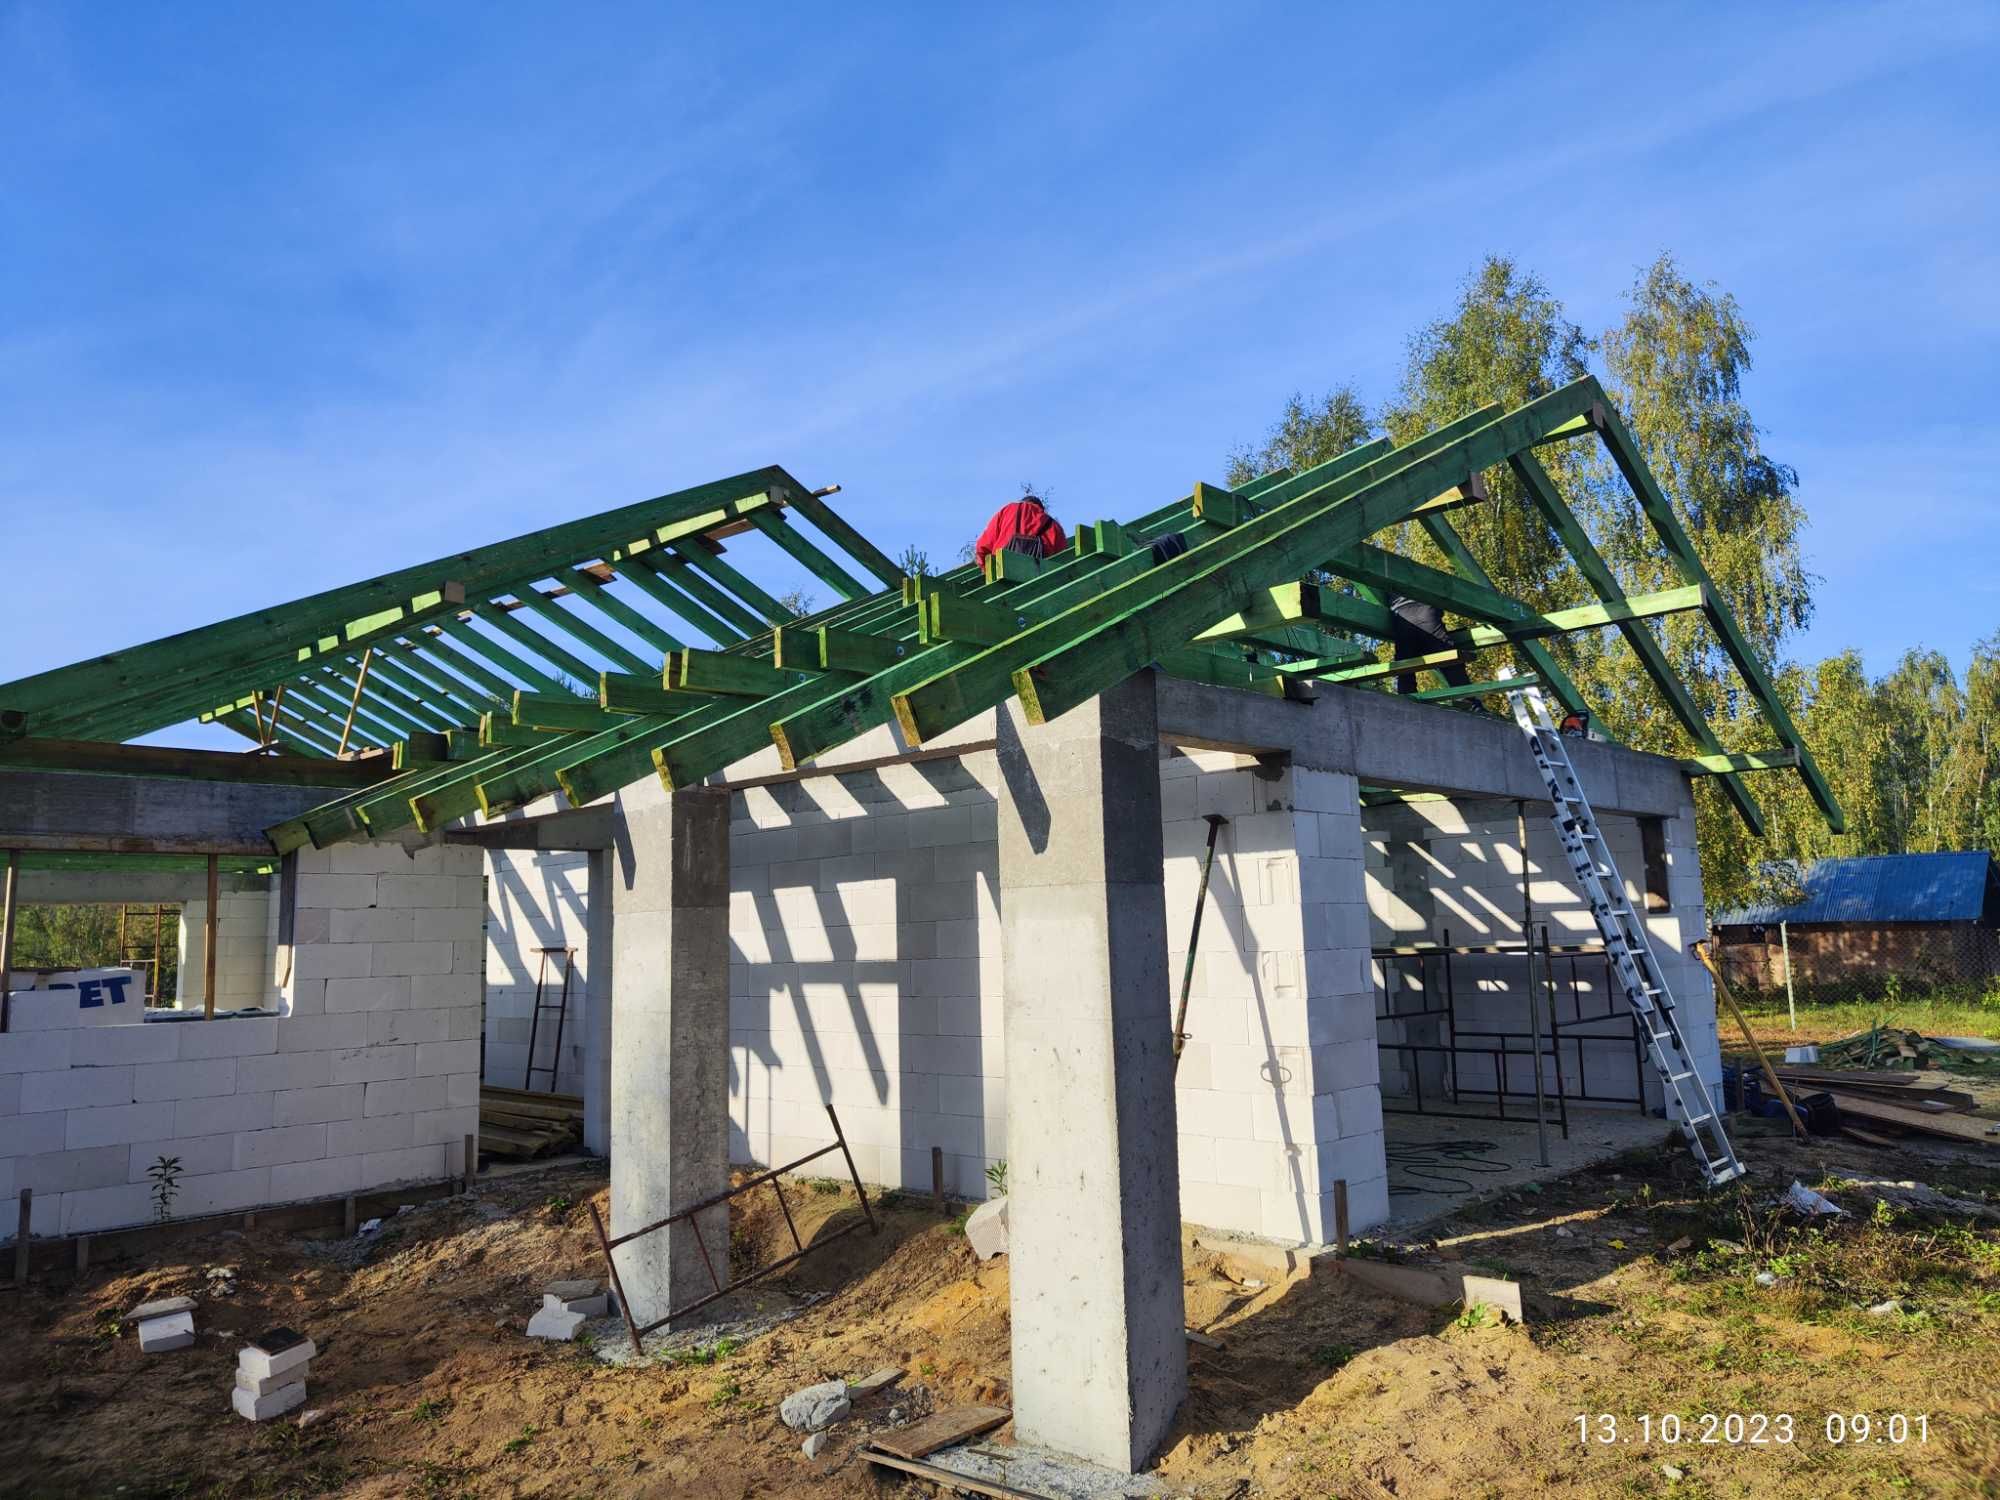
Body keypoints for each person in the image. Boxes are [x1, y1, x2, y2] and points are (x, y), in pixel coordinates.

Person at [1387, 593, 1472, 696]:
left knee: (1404, 664)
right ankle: (1468, 700)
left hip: (1401, 614)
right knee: (1447, 656)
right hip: (1425, 608)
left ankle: (1406, 701)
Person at [973, 493, 1067, 567]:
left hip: (1002, 572)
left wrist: (988, 572)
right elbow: (1062, 557)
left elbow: (982, 547)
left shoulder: (1007, 510)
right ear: (1041, 509)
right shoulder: (1054, 525)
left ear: (1022, 502)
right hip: (1037, 578)